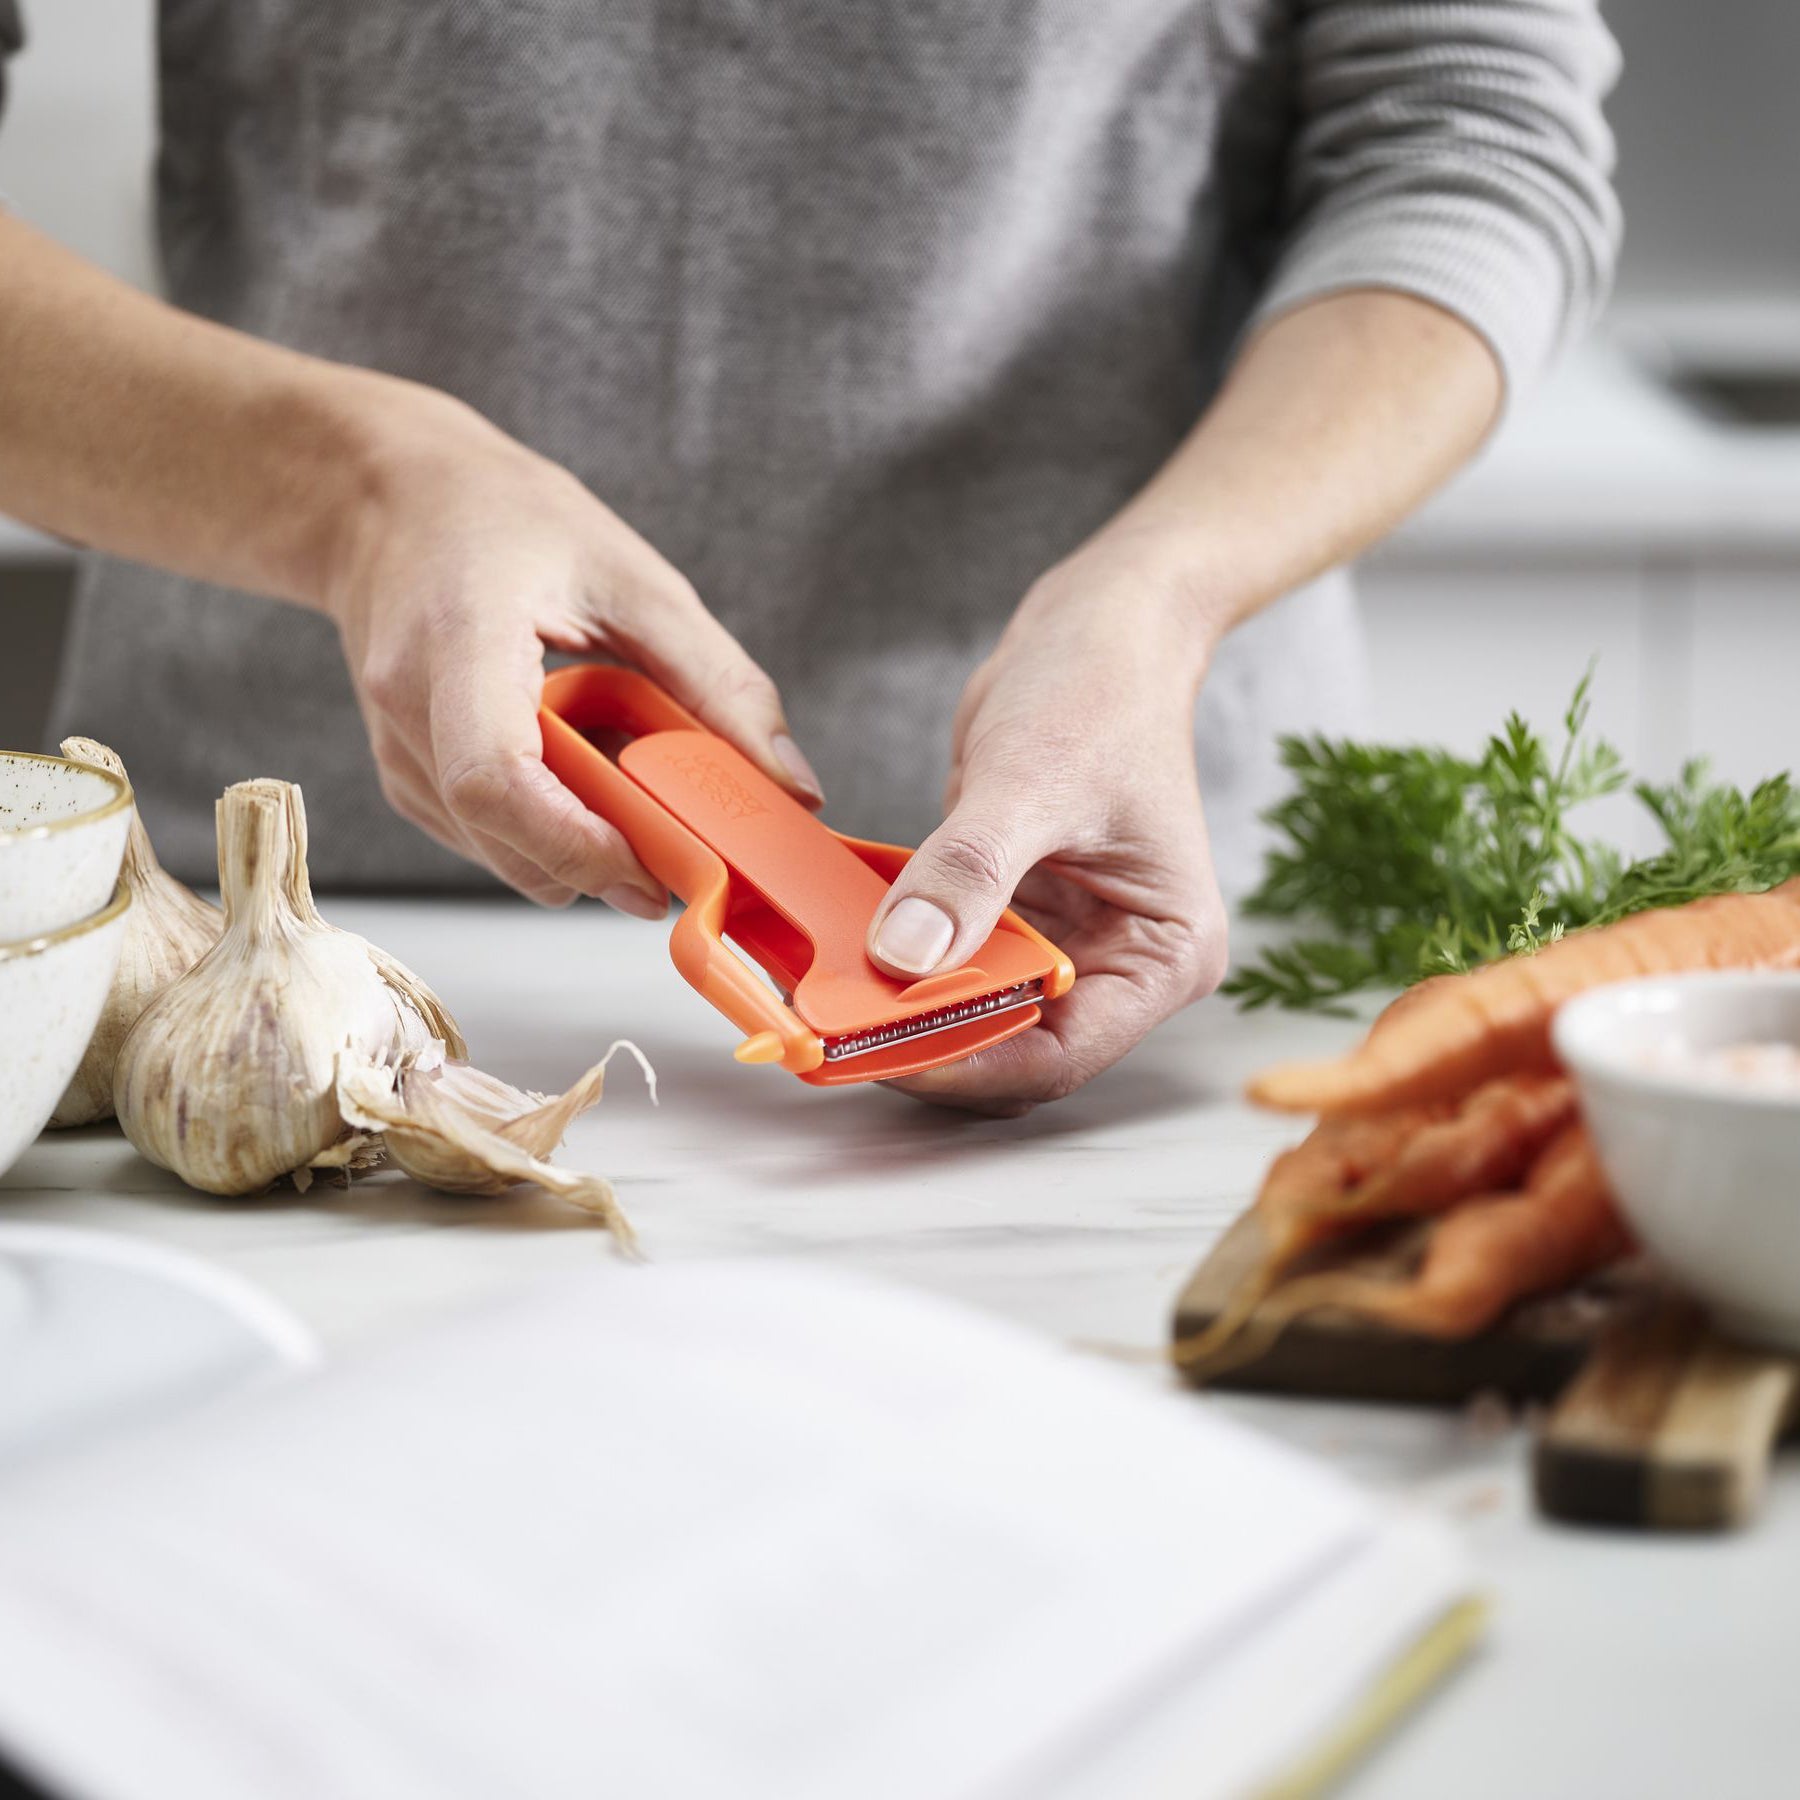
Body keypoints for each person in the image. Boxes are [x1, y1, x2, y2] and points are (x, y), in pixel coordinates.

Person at [0, 3, 1618, 1112]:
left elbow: (1476, 141)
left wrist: (1161, 592)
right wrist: (362, 494)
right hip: (229, 947)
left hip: (1091, 896)